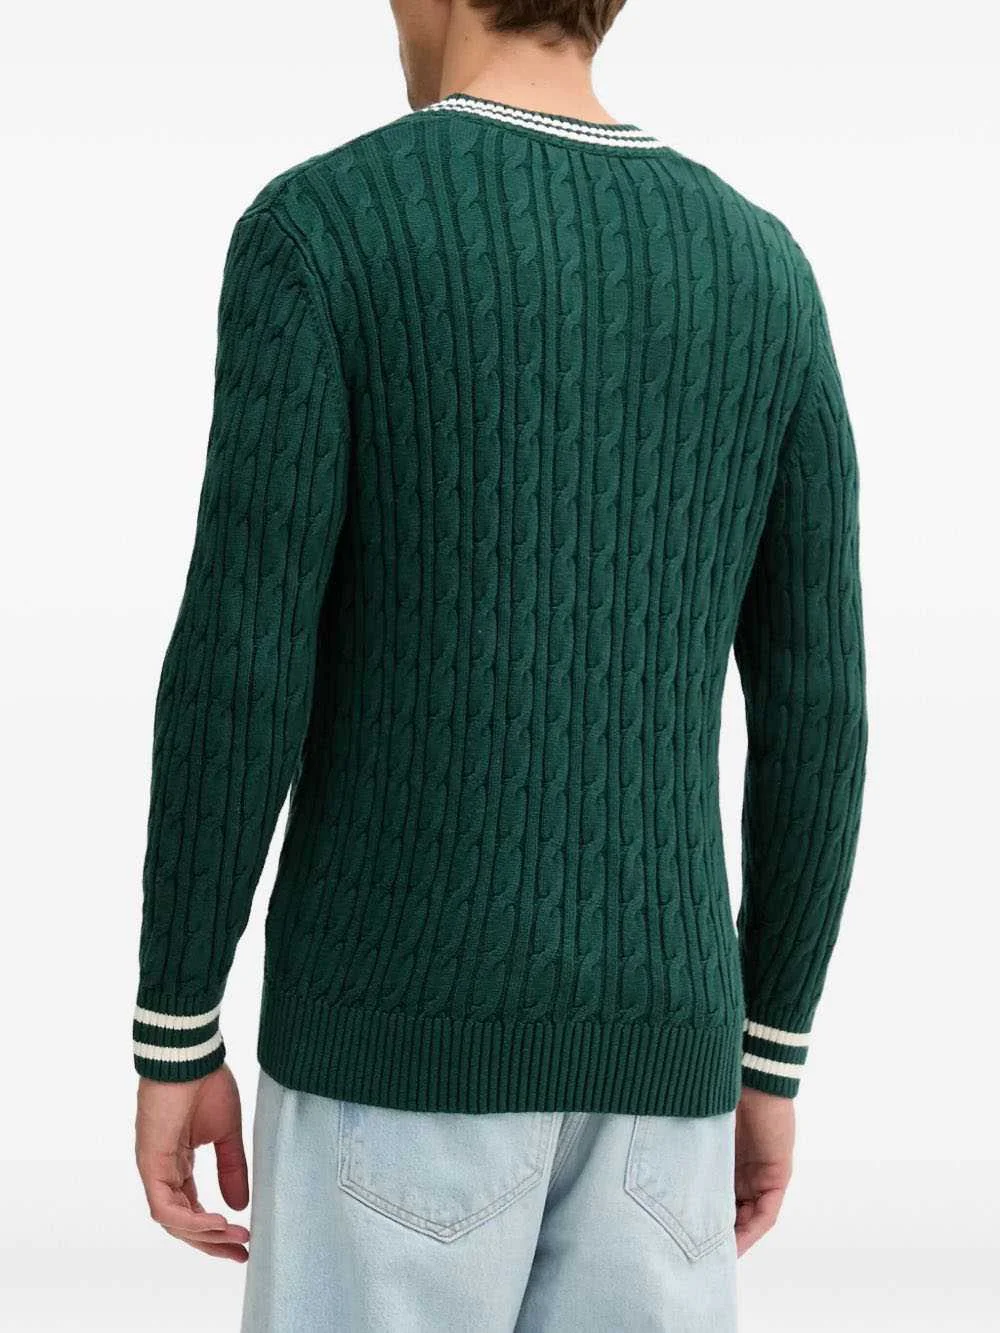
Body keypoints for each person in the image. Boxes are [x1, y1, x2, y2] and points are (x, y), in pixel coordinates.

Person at [132, 1, 868, 1328]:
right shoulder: (764, 271)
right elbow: (819, 702)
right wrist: (771, 1049)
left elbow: (242, 660)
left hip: (391, 1050)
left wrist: (177, 1022)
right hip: (666, 1073)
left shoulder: (327, 228)